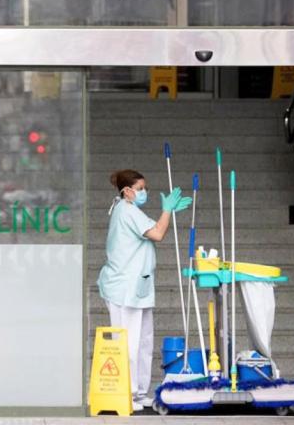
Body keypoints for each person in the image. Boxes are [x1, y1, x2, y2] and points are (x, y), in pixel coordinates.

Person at [98, 169, 191, 411]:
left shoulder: (130, 210)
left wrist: (168, 212)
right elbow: (157, 233)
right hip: (124, 289)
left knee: (144, 342)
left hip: (138, 287)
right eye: (140, 189)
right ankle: (126, 394)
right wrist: (167, 210)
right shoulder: (127, 211)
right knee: (128, 344)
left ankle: (139, 393)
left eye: (145, 188)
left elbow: (154, 230)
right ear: (127, 191)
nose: (144, 192)